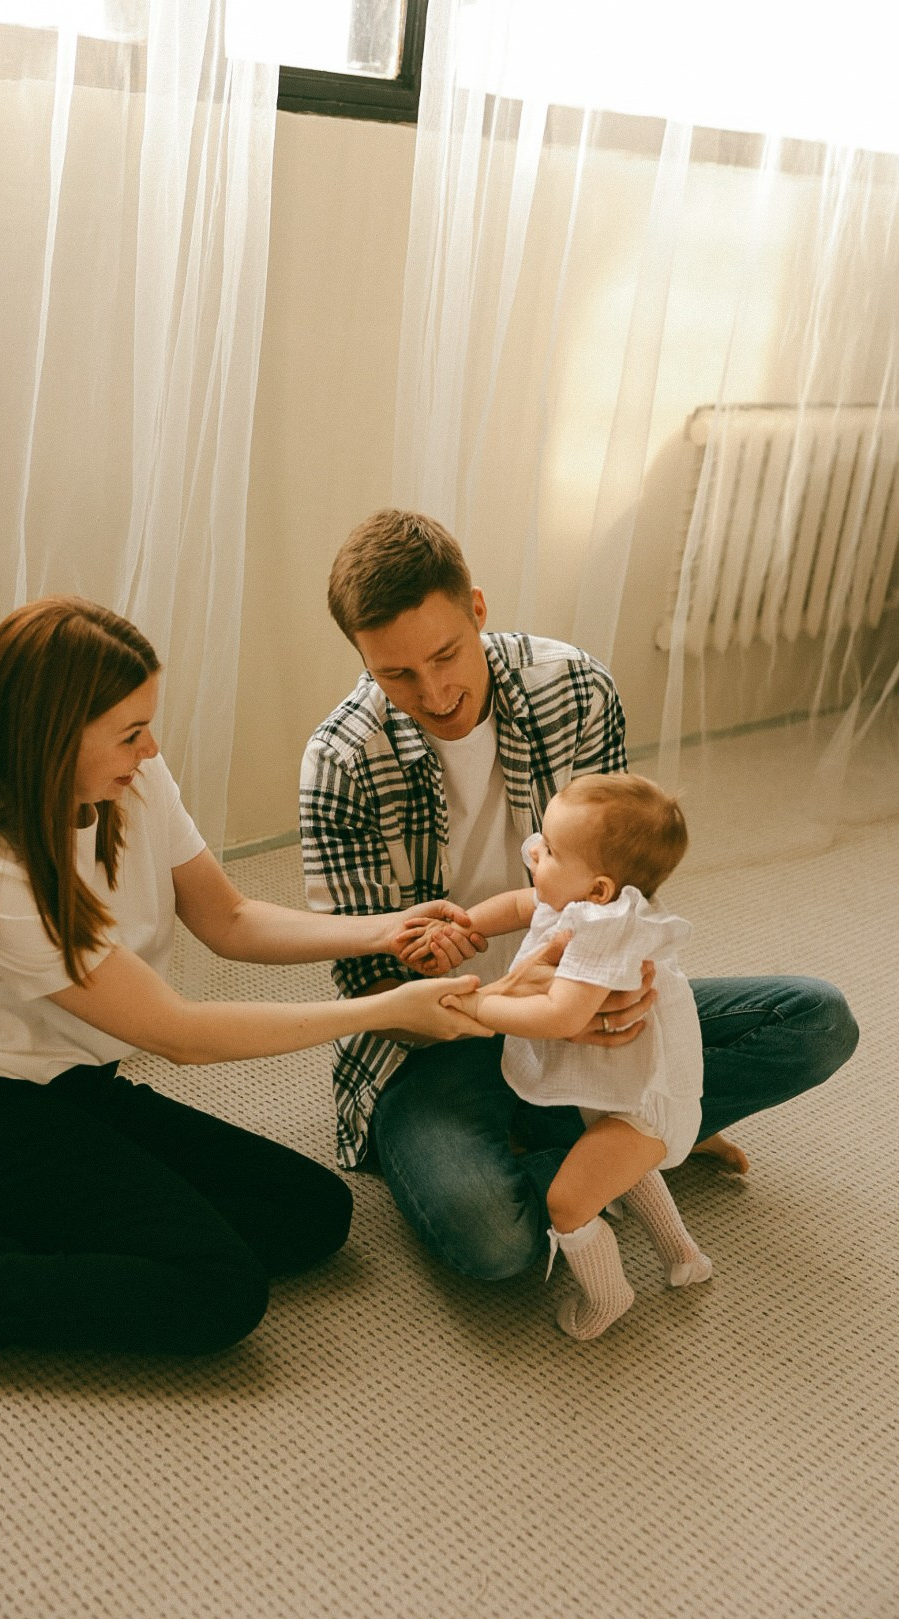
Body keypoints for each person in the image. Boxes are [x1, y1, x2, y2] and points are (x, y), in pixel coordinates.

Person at [0, 597, 488, 1390]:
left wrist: (384, 931)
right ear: (54, 735)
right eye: (130, 732)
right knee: (221, 1291)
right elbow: (180, 1035)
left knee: (313, 1213)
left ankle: (8, 1282)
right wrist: (387, 1010)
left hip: (83, 1087)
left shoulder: (129, 781)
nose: (151, 747)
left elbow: (229, 919)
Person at [300, 508, 860, 1282]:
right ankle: (632, 1141)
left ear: (477, 609)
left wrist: (615, 994)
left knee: (817, 1020)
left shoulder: (575, 686)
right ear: (363, 658)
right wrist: (495, 1003)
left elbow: (623, 881)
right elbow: (369, 988)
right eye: (395, 675)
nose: (433, 692)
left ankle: (613, 1137)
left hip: (583, 1000)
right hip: (438, 1044)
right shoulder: (341, 761)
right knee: (494, 1241)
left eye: (445, 654)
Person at [399, 772, 720, 1340]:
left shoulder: (603, 928)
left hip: (646, 1101)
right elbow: (518, 904)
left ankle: (609, 1295)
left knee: (568, 1203)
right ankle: (684, 1256)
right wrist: (463, 925)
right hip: (622, 1089)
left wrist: (476, 1005)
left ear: (599, 890)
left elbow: (560, 1018)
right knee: (623, 1170)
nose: (533, 854)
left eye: (547, 850)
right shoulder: (572, 895)